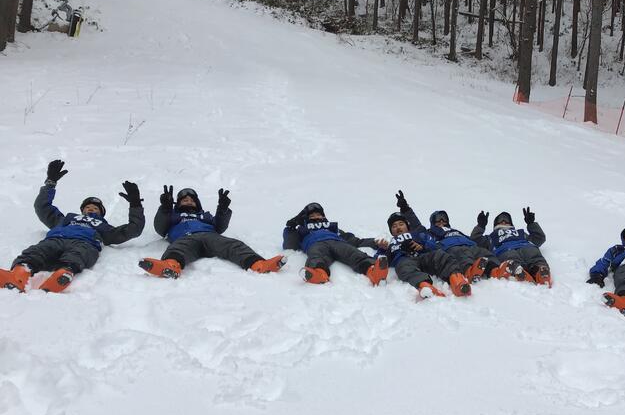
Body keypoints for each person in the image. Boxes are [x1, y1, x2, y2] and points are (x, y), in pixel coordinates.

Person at [0, 160, 144, 293]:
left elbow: (134, 229)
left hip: (85, 243)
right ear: (82, 210)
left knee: (78, 255)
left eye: (95, 208)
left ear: (101, 213)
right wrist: (50, 183)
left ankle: (63, 275)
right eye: (88, 207)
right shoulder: (66, 219)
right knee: (37, 251)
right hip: (56, 238)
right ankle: (18, 274)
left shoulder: (104, 227)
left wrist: (135, 204)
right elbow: (42, 207)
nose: (91, 209)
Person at [139, 186, 285, 278]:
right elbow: (160, 227)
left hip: (210, 236)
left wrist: (222, 209)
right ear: (178, 203)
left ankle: (258, 264)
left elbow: (219, 226)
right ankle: (170, 266)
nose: (188, 201)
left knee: (233, 245)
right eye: (184, 200)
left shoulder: (205, 216)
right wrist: (165, 208)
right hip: (186, 238)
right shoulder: (172, 215)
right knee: (178, 248)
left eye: (191, 200)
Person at [394, 190, 524, 282]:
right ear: (433, 222)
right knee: (462, 254)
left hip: (470, 245)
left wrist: (480, 227)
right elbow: (416, 225)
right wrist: (405, 209)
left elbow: (475, 239)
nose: (441, 221)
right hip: (450, 248)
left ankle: (495, 271)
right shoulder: (429, 232)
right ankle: (469, 271)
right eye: (438, 219)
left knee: (485, 253)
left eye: (444, 218)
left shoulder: (456, 231)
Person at [282, 202, 388, 285]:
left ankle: (373, 270)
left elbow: (354, 241)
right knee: (316, 256)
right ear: (306, 219)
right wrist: (291, 227)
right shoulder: (302, 230)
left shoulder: (333, 229)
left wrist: (374, 243)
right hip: (316, 244)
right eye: (312, 215)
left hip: (337, 242)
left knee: (353, 253)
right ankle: (318, 273)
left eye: (318, 214)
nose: (316, 217)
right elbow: (290, 244)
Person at [378, 210, 471, 298]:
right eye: (394, 226)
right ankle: (426, 287)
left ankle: (458, 281)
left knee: (440, 256)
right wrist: (383, 249)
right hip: (405, 260)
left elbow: (435, 246)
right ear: (391, 231)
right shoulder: (390, 243)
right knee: (404, 268)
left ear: (407, 226)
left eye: (401, 224)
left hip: (422, 256)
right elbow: (384, 260)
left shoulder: (417, 235)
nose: (398, 227)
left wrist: (422, 247)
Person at [470, 209, 552, 286]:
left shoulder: (521, 233)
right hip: (506, 251)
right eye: (500, 220)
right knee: (514, 261)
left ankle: (538, 272)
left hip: (525, 247)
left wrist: (531, 223)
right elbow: (475, 240)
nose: (504, 221)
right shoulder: (491, 237)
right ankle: (528, 273)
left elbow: (539, 238)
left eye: (507, 220)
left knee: (533, 259)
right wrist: (481, 226)